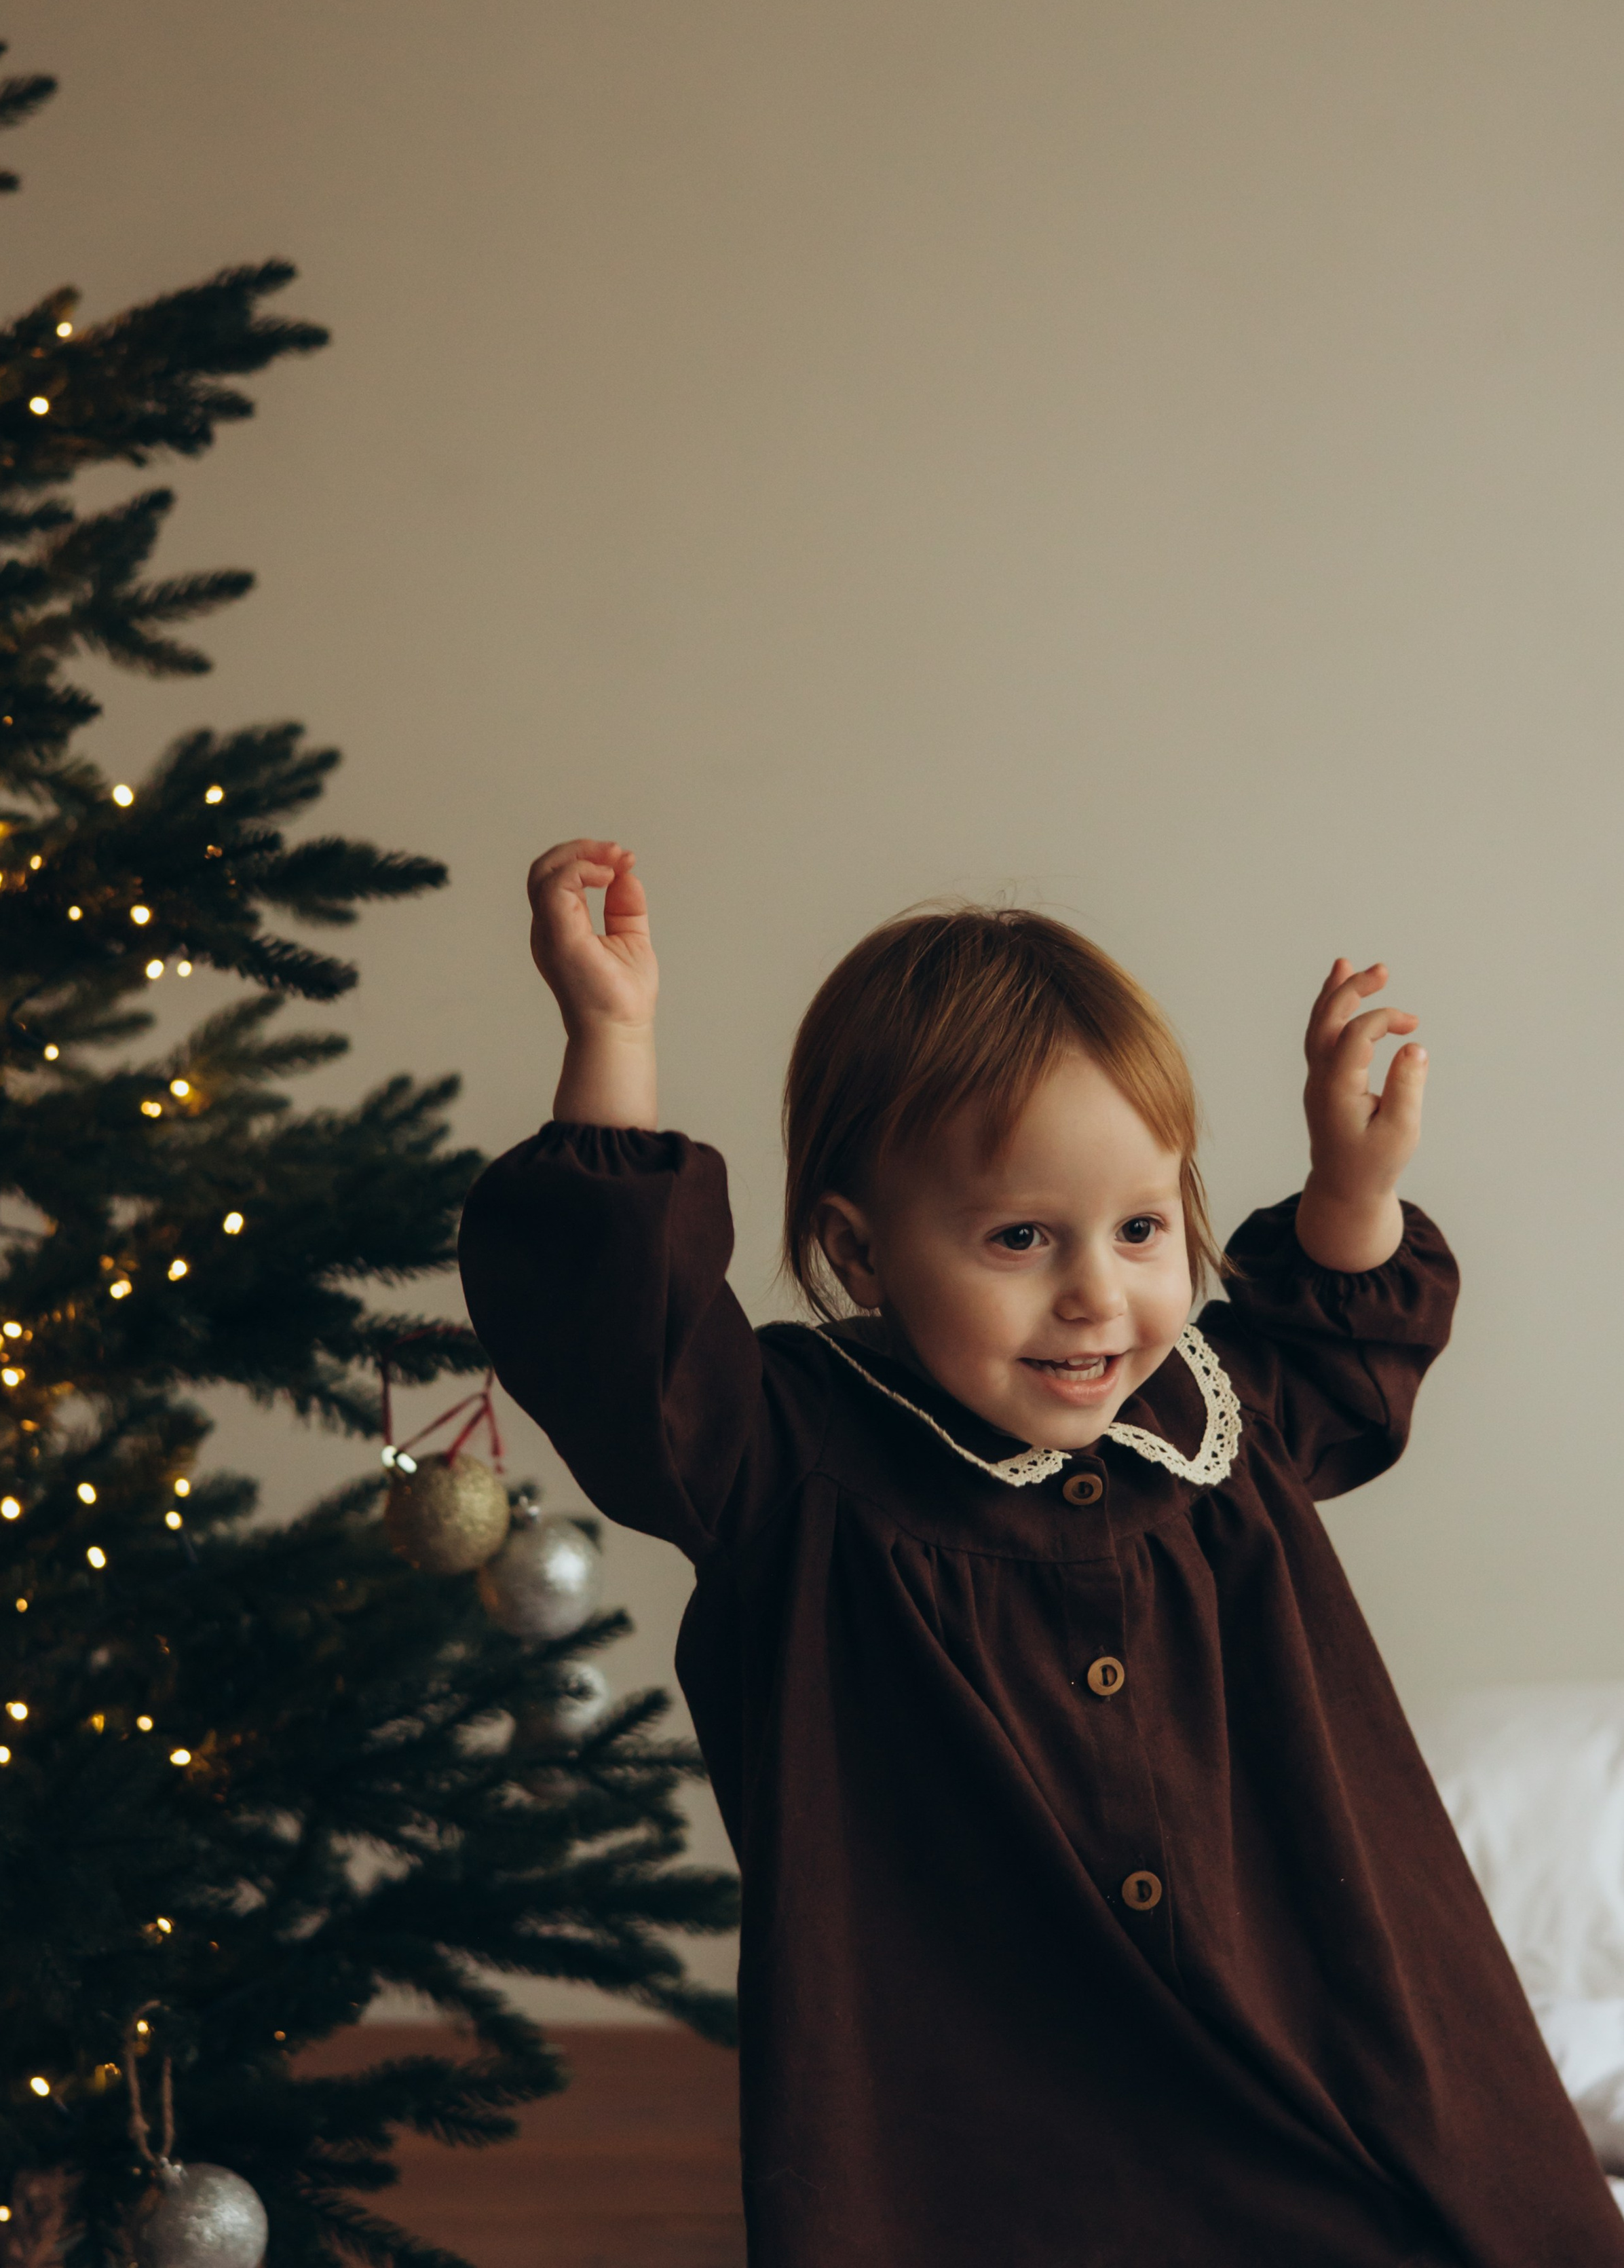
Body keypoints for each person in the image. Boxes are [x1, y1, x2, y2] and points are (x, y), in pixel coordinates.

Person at [457, 838, 1624, 2268]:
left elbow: (1342, 1344)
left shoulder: (1213, 1422)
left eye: (1139, 1228)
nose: (1096, 1296)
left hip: (1314, 2053)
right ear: (862, 1250)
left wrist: (1346, 1183)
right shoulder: (794, 1457)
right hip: (990, 2130)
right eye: (1019, 1236)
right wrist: (613, 1045)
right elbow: (620, 1346)